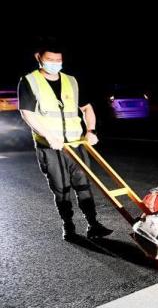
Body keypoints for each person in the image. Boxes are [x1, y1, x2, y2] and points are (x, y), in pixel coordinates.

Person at [18, 39, 112, 241]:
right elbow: (27, 113)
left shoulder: (71, 81)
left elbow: (87, 108)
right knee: (61, 188)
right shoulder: (29, 81)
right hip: (50, 147)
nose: (54, 63)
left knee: (84, 184)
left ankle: (93, 224)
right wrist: (48, 135)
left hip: (76, 144)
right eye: (50, 59)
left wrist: (91, 130)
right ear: (38, 58)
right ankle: (68, 226)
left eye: (58, 60)